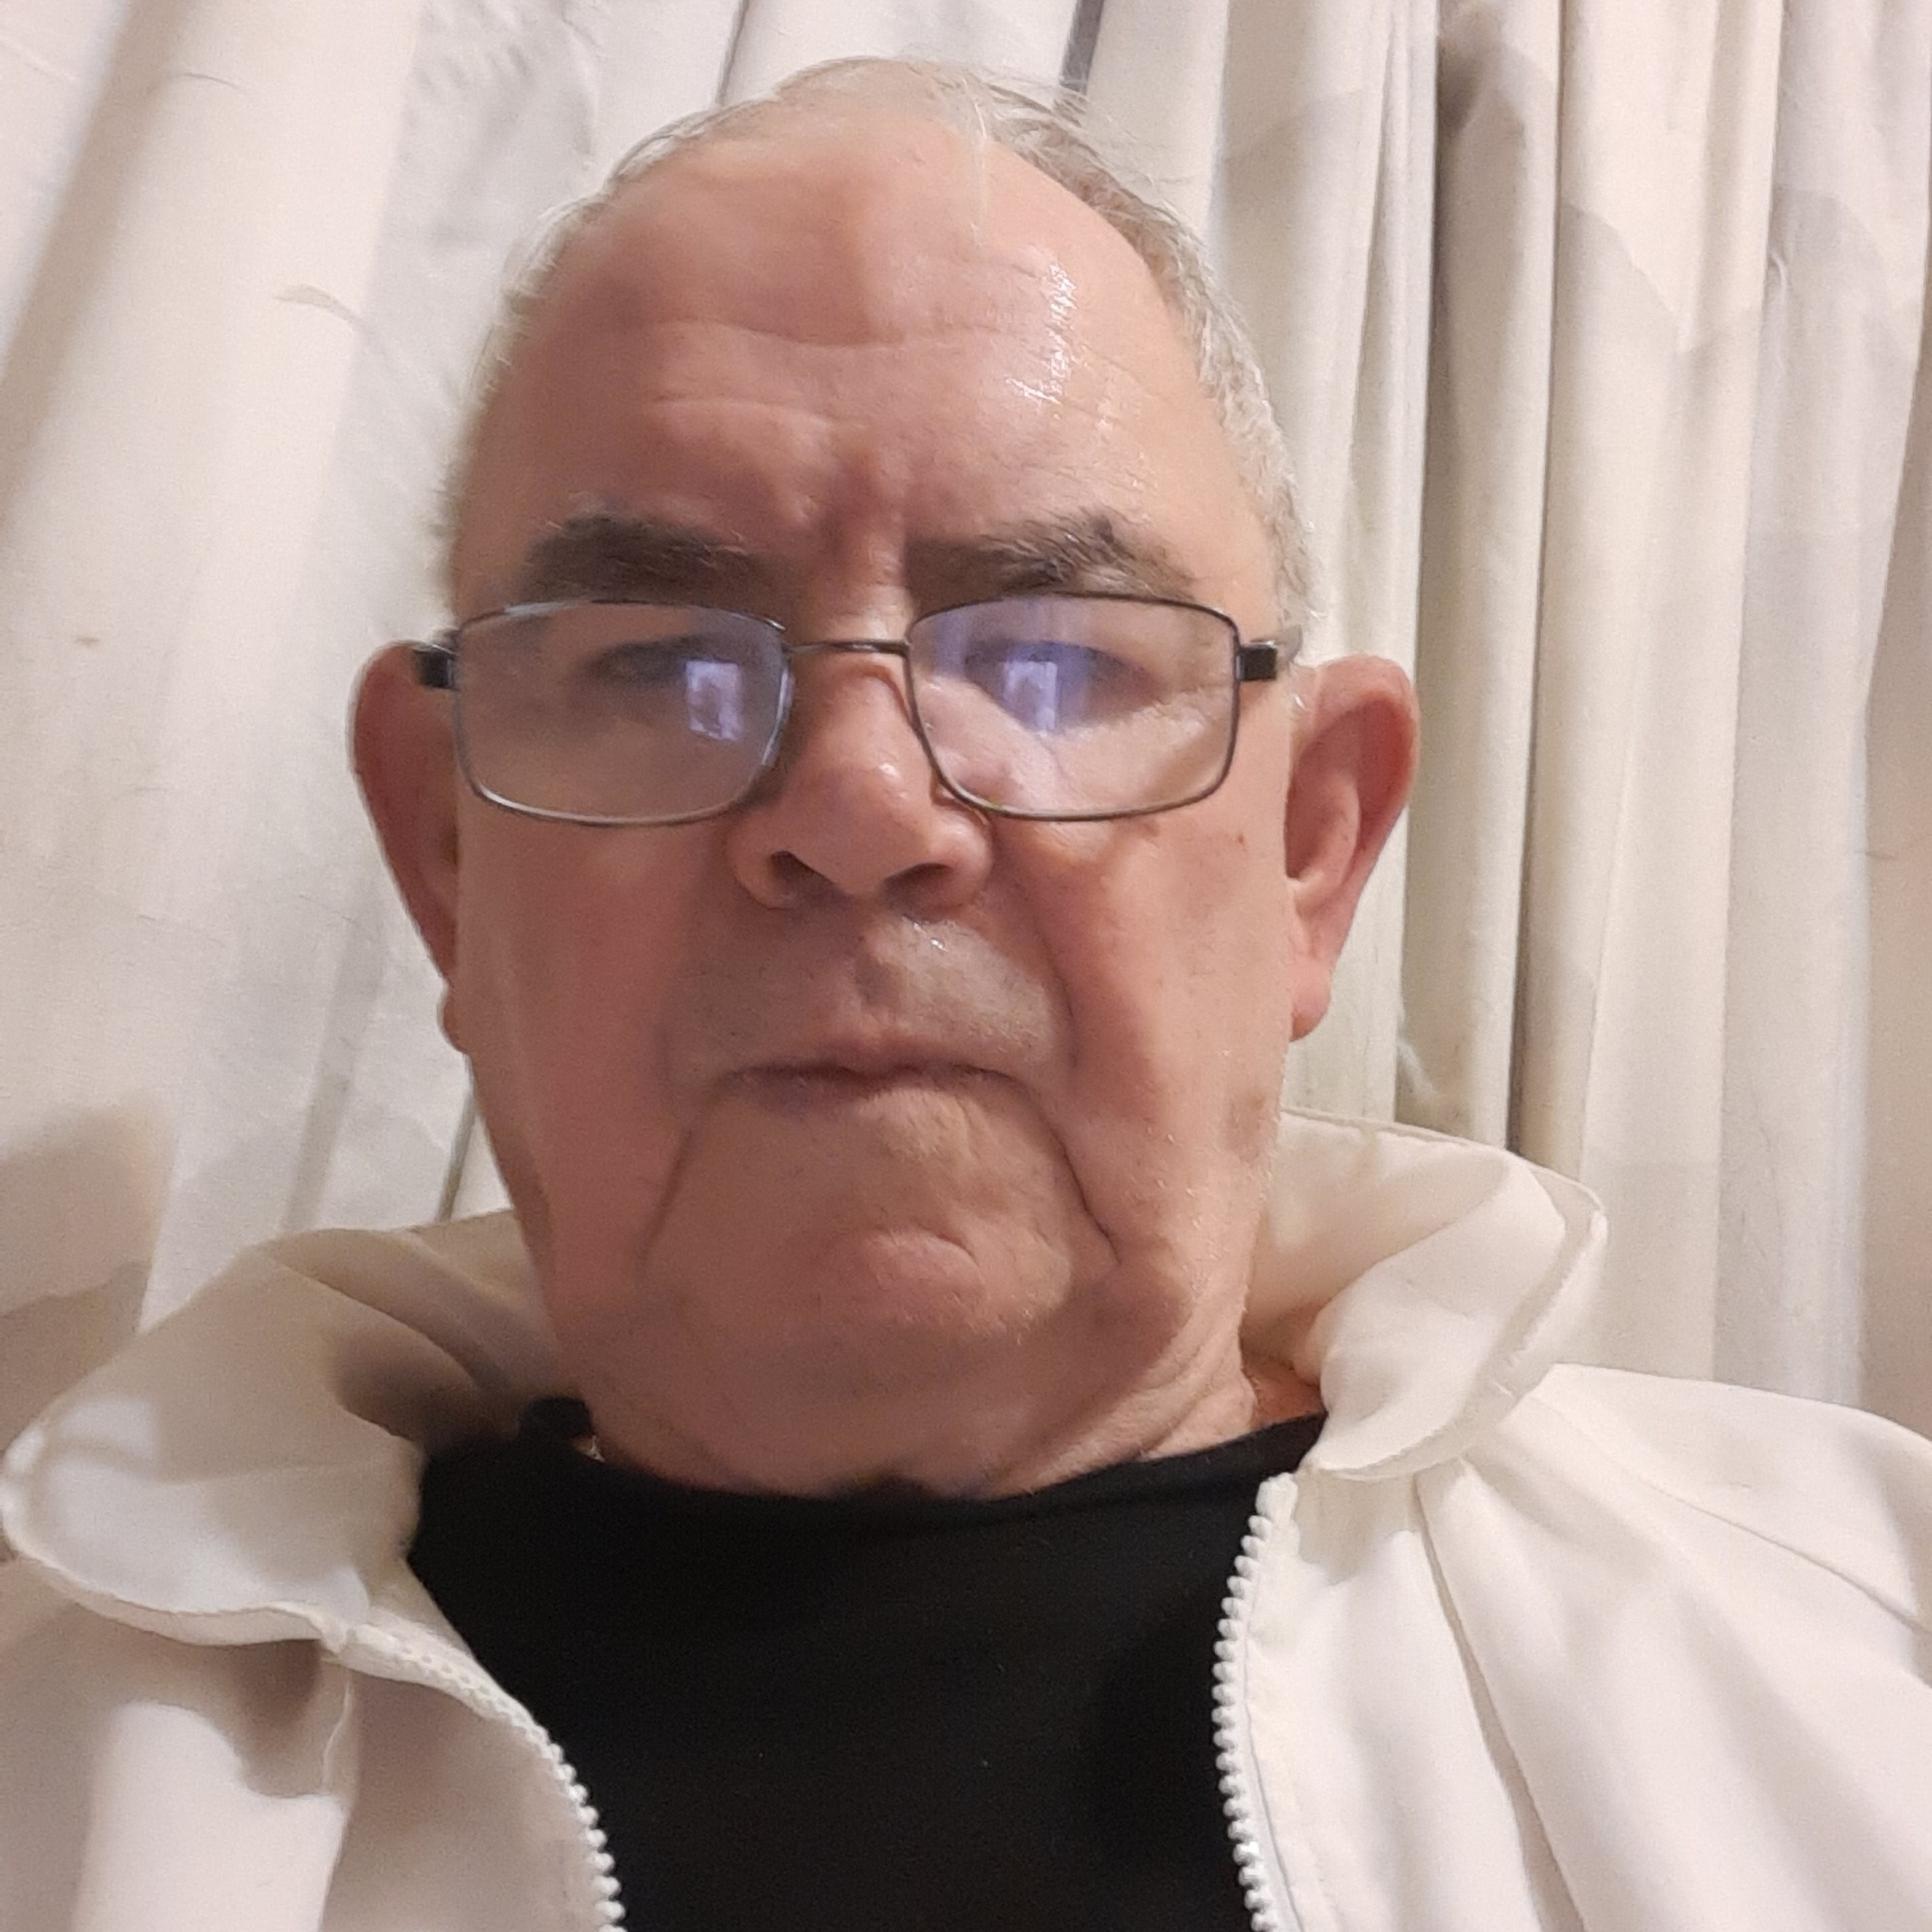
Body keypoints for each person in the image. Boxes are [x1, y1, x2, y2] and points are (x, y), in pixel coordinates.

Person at [1, 56, 1928, 1932]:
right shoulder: (45, 1775)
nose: (858, 805)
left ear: (1310, 849)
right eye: (657, 660)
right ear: (445, 856)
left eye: (1062, 661)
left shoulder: (1865, 1654)